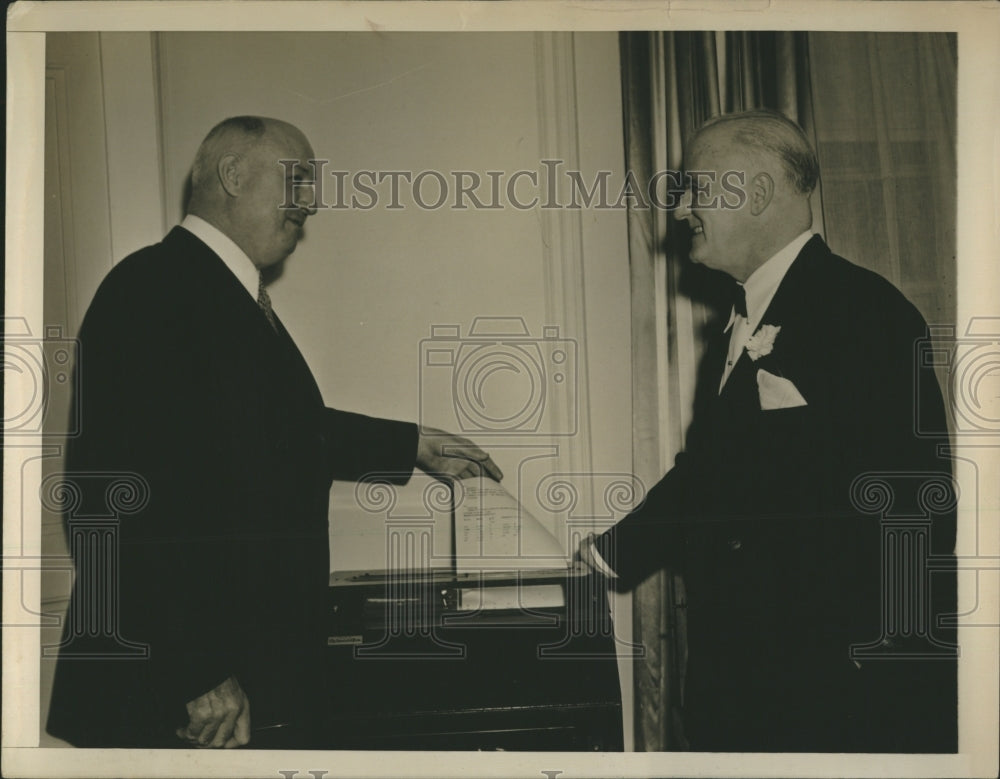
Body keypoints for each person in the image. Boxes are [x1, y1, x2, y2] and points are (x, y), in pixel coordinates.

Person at [46, 116, 502, 749]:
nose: (311, 202)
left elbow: (267, 432)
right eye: (299, 179)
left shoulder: (210, 289)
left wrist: (411, 445)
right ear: (234, 175)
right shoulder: (150, 288)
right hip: (181, 684)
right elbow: (116, 499)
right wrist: (198, 669)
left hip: (219, 671)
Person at [580, 110, 957, 752]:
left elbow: (915, 498)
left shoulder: (863, 310)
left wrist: (885, 662)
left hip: (831, 691)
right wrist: (606, 552)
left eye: (695, 189)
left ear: (755, 194)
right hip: (745, 680)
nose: (679, 212)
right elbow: (719, 469)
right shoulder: (741, 323)